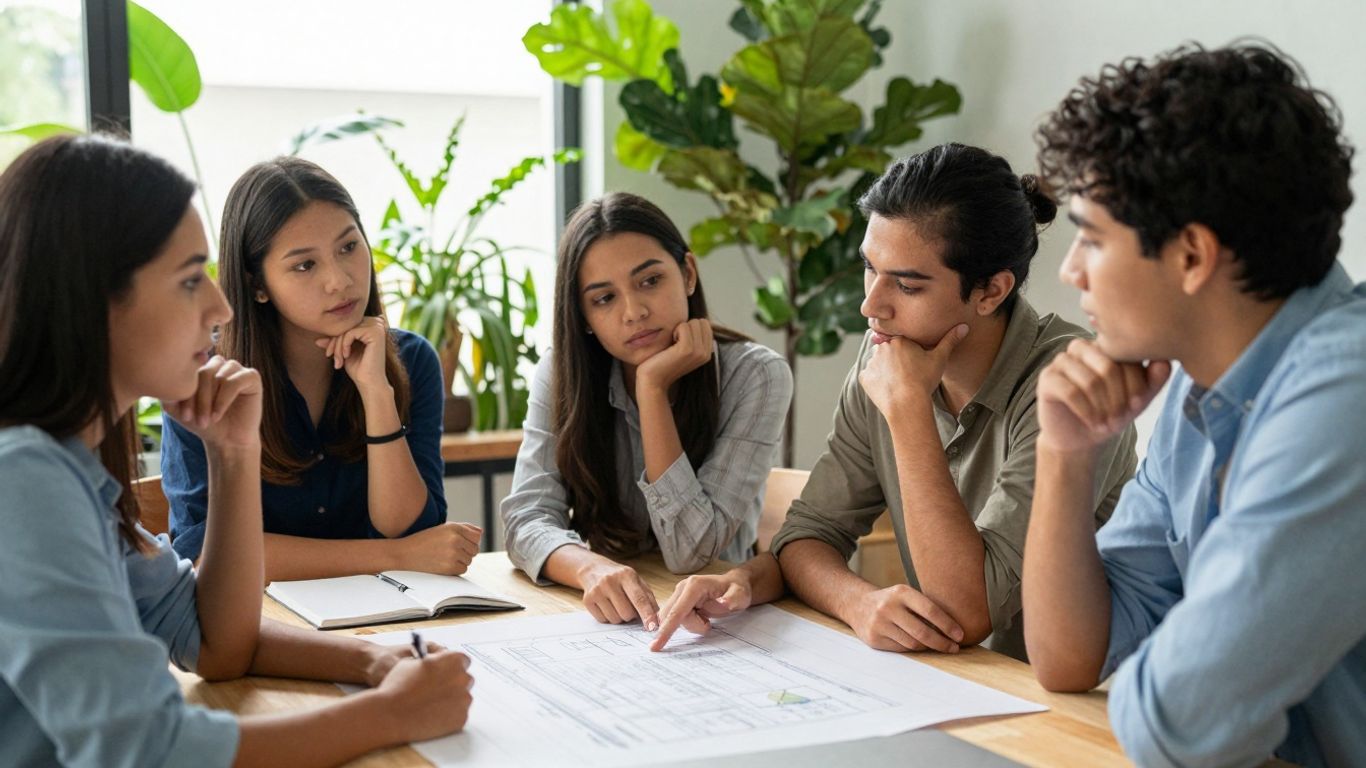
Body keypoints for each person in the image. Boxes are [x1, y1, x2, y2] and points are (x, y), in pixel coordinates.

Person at [0, 135, 473, 767]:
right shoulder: (23, 477)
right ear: (93, 301)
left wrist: (233, 452)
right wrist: (392, 714)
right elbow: (148, 753)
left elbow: (211, 642)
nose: (219, 306)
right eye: (190, 280)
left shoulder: (69, 469)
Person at [652, 144, 1137, 660]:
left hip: (1078, 707)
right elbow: (809, 534)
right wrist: (857, 602)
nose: (870, 306)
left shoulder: (1071, 383)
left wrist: (907, 412)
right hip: (957, 685)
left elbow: (968, 611)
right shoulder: (887, 351)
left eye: (906, 285)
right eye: (870, 268)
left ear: (991, 291)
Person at [1023, 43, 1365, 767]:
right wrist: (1064, 455)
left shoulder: (1345, 394)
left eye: (1090, 237)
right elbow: (1070, 658)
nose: (1069, 269)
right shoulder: (1199, 385)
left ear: (1191, 255)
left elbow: (1178, 722)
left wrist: (1187, 654)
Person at [160, 157, 480, 582]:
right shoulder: (204, 377)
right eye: (304, 265)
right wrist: (395, 556)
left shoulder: (411, 359)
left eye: (349, 247)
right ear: (258, 285)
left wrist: (376, 393)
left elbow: (410, 528)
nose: (340, 280)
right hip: (258, 626)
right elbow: (204, 553)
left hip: (385, 618)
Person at [502, 192, 792, 628]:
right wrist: (589, 567)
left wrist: (652, 387)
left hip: (718, 621)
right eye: (604, 299)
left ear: (688, 273)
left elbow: (689, 553)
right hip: (616, 616)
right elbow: (525, 518)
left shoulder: (756, 375)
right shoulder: (562, 373)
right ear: (582, 316)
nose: (634, 312)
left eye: (650, 281)